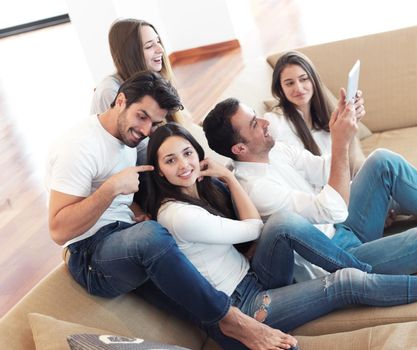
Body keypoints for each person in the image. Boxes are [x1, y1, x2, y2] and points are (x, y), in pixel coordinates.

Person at [145, 122, 417, 350]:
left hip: (262, 274)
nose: (184, 164)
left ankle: (369, 270)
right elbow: (255, 227)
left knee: (287, 221)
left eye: (188, 154)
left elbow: (330, 178)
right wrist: (233, 179)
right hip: (247, 303)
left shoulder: (204, 191)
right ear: (159, 171)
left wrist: (228, 176)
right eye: (171, 160)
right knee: (349, 278)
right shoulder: (179, 215)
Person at [46, 71, 298, 350]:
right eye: (141, 116)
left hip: (125, 238)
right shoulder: (79, 147)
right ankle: (231, 319)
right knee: (153, 237)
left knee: (189, 287)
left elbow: (122, 198)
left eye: (153, 123)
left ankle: (239, 337)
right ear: (120, 101)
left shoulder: (127, 138)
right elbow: (58, 229)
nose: (144, 130)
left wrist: (137, 209)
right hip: (90, 255)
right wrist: (110, 189)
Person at [203, 96, 417, 279]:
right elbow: (333, 210)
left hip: (343, 228)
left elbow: (327, 170)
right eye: (254, 124)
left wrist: (343, 128)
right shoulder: (257, 190)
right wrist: (340, 142)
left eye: (258, 117)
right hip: (335, 260)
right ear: (239, 149)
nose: (265, 123)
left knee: (383, 161)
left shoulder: (276, 150)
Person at [266, 50, 417, 216]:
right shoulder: (277, 123)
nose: (299, 88)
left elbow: (354, 165)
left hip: (355, 188)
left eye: (303, 79)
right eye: (289, 83)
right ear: (280, 90)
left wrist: (351, 129)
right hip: (336, 205)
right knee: (409, 183)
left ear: (314, 80)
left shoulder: (329, 117)